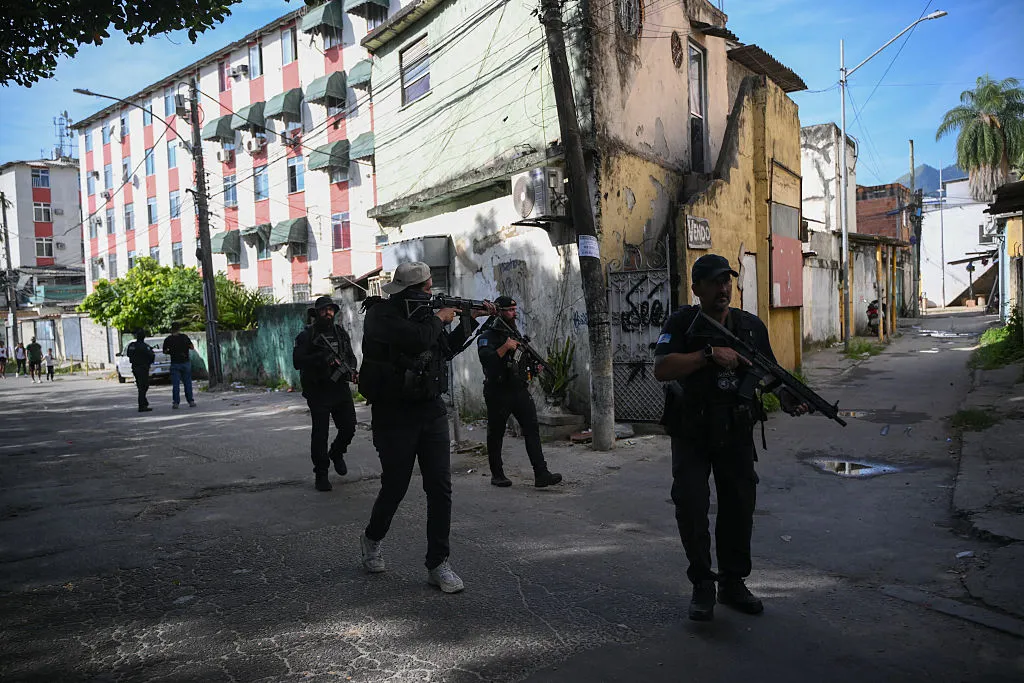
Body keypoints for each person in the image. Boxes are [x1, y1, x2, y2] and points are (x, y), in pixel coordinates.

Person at [654, 254, 809, 622]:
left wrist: (785, 395)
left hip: (736, 429)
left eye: (727, 281)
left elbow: (766, 371)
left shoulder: (750, 326)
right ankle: (702, 586)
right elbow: (662, 368)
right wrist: (708, 355)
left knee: (738, 506)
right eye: (714, 282)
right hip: (691, 430)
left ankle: (733, 582)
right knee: (691, 506)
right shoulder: (680, 322)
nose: (723, 288)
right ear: (697, 288)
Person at [357, 261, 494, 594]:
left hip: (430, 410)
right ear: (412, 291)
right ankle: (372, 538)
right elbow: (415, 340)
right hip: (393, 414)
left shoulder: (426, 318)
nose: (433, 294)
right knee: (396, 486)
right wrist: (438, 318)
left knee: (440, 487)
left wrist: (466, 320)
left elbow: (445, 350)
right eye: (429, 288)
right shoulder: (380, 316)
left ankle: (438, 563)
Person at [476, 295, 562, 488]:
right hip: (497, 391)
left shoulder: (514, 333)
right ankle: (497, 474)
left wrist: (532, 369)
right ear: (498, 311)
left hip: (518, 390)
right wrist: (505, 347)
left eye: (515, 310)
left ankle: (541, 473)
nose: (513, 313)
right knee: (496, 433)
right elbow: (488, 362)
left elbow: (520, 360)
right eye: (509, 310)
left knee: (532, 429)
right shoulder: (486, 336)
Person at [292, 296, 359, 492]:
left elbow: (350, 357)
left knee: (349, 427)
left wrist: (352, 370)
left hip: (340, 389)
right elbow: (298, 361)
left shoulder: (340, 333)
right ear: (317, 312)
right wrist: (322, 358)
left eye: (331, 310)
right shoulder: (306, 336)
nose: (328, 313)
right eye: (324, 310)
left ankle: (337, 452)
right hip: (318, 390)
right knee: (320, 434)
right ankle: (321, 474)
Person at [162, 323, 196, 409]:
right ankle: (191, 401)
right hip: (185, 362)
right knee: (187, 383)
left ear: (171, 329)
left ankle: (176, 403)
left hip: (175, 363)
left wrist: (171, 351)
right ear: (179, 329)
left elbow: (165, 351)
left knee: (176, 384)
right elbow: (192, 347)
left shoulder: (168, 339)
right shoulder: (184, 337)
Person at [126, 330, 155, 412]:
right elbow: (151, 355)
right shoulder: (144, 346)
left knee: (140, 386)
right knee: (144, 386)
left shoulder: (132, 345)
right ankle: (142, 405)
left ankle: (144, 403)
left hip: (135, 367)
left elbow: (128, 354)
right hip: (143, 368)